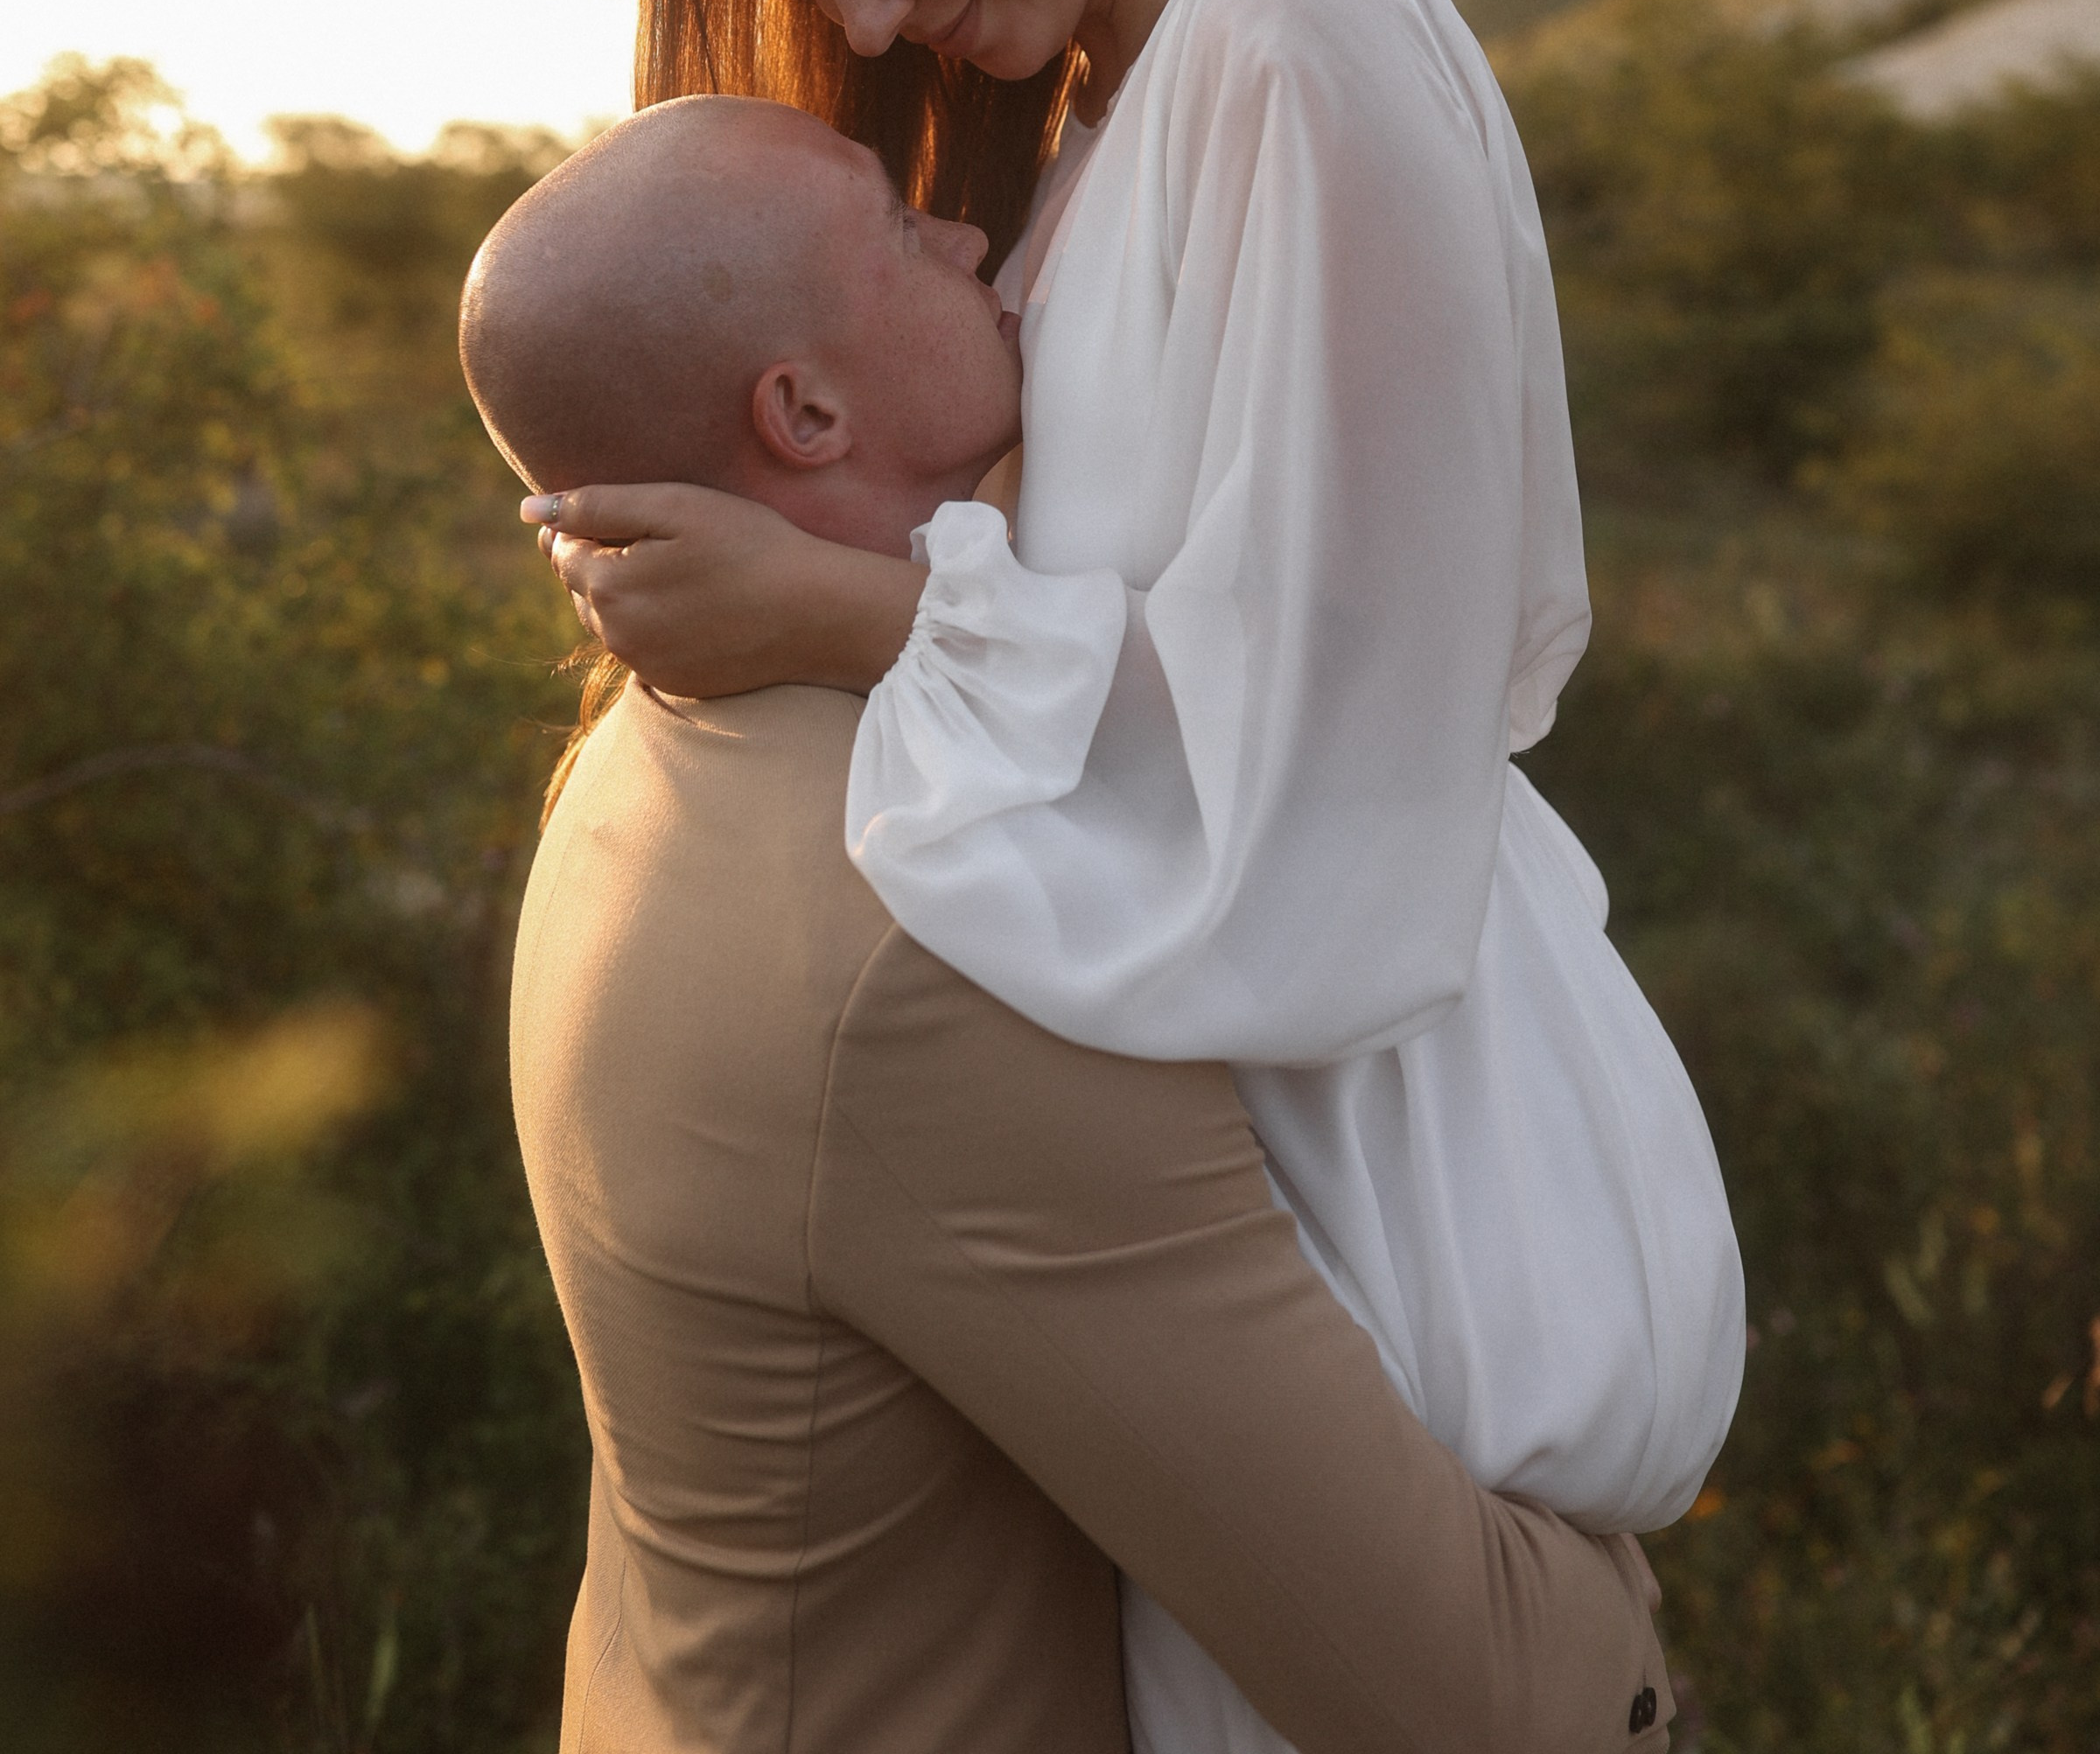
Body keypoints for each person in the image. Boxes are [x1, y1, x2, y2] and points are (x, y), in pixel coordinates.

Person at [535, 0, 1744, 1751]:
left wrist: (849, 609)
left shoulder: (1302, 26)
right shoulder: (1111, 87)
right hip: (1217, 1124)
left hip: (1362, 1099)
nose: (876, 24)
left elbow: (1342, 721)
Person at [464, 95, 1676, 1754]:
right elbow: (1463, 1694)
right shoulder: (931, 932)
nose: (971, 240)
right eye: (901, 232)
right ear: (804, 410)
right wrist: (1635, 1634)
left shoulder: (661, 748)